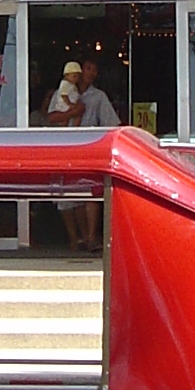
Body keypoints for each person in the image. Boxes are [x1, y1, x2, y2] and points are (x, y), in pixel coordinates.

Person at [67, 58, 120, 249]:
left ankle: (91, 237)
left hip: (89, 148)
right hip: (67, 147)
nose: (91, 73)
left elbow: (112, 124)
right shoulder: (64, 92)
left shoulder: (98, 97)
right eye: (88, 68)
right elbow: (51, 116)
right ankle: (80, 238)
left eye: (94, 70)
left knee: (90, 192)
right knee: (73, 195)